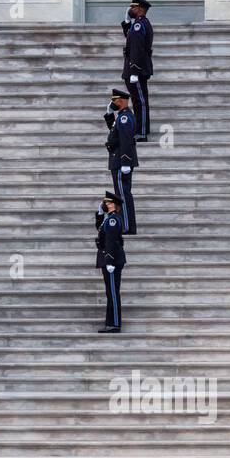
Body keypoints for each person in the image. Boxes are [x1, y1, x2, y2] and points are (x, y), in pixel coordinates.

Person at [105, 88, 138, 235]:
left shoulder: (125, 118)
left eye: (115, 101)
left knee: (123, 195)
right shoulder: (121, 116)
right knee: (122, 194)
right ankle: (128, 225)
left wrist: (125, 161)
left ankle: (126, 226)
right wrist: (109, 113)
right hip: (118, 160)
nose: (113, 103)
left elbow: (125, 140)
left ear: (122, 101)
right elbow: (114, 131)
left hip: (120, 161)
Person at [122, 0, 153, 140]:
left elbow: (137, 49)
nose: (131, 9)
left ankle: (142, 132)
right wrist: (127, 22)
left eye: (133, 7)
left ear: (140, 8)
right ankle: (139, 130)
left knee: (141, 102)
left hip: (137, 70)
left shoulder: (140, 25)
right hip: (132, 68)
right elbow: (130, 39)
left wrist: (134, 70)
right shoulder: (136, 25)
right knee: (136, 101)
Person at [95, 191, 125, 333]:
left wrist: (109, 260)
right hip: (108, 257)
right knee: (110, 292)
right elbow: (100, 230)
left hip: (112, 259)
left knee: (113, 292)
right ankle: (110, 322)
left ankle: (114, 324)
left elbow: (111, 241)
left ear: (113, 205)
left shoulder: (113, 220)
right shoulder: (109, 218)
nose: (105, 205)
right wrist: (99, 214)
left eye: (107, 203)